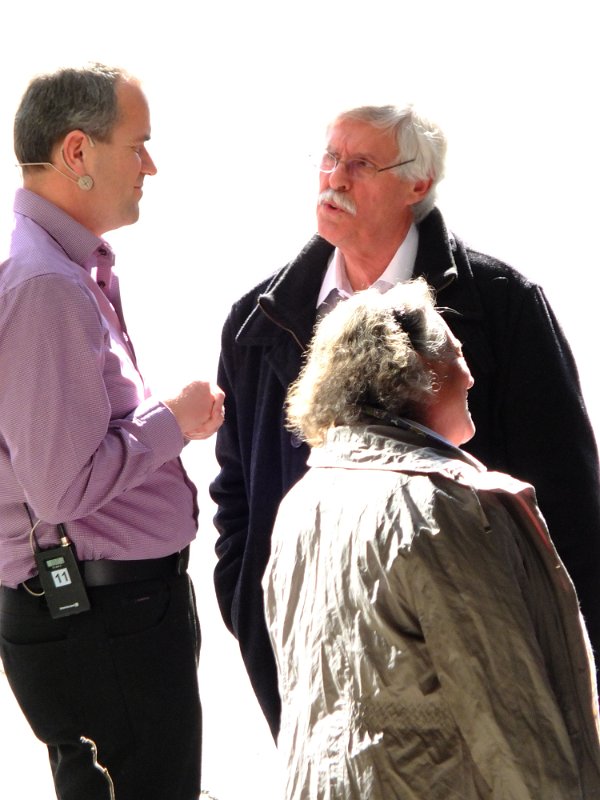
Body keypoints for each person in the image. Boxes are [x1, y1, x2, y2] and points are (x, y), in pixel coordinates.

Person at [209, 103, 600, 739]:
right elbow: (238, 504)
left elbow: (568, 503)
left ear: (418, 184)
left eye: (361, 164)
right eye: (330, 158)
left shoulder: (503, 306)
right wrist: (259, 625)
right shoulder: (259, 319)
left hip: (476, 682)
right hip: (313, 683)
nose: (335, 178)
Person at [263, 279, 600, 800]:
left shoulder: (303, 503)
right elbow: (508, 711)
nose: (470, 375)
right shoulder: (443, 506)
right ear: (417, 372)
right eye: (457, 355)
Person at [0, 64, 224, 800]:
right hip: (101, 620)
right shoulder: (46, 284)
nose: (149, 166)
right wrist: (174, 421)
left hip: (105, 615)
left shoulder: (54, 270)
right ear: (77, 152)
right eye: (137, 145)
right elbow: (61, 488)